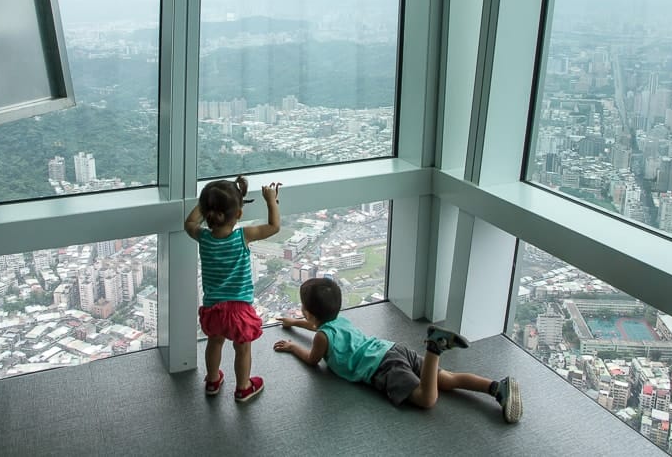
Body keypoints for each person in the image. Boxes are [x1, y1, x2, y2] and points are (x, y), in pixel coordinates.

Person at [273, 277, 522, 423]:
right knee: (446, 379)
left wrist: (294, 346)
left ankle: (434, 348)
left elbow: (312, 360)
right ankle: (496, 387)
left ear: (310, 312)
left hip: (381, 368)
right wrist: (294, 322)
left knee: (427, 398)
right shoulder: (340, 320)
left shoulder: (322, 338)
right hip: (392, 349)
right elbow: (317, 325)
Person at [184, 175, 281, 402]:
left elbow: (188, 223)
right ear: (238, 214)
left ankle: (212, 380)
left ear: (208, 212)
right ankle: (243, 387)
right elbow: (274, 226)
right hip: (239, 309)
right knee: (243, 348)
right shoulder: (242, 236)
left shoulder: (203, 237)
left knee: (214, 343)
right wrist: (270, 201)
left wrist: (207, 203)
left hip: (213, 307)